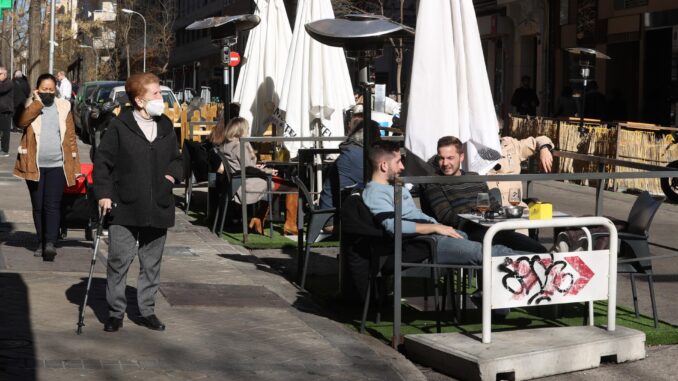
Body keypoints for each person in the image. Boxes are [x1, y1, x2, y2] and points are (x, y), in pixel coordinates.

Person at [94, 73, 184, 333]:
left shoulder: (165, 126)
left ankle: (146, 311)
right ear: (139, 101)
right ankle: (115, 312)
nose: (161, 99)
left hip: (159, 205)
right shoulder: (120, 127)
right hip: (125, 204)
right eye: (156, 94)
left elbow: (177, 160)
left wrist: (170, 177)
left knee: (151, 263)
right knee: (119, 260)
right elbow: (103, 163)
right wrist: (104, 194)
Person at [362, 141, 514, 267]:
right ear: (383, 165)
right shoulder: (375, 192)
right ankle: (535, 265)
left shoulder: (394, 187)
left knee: (497, 247)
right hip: (424, 244)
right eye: (398, 162)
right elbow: (393, 225)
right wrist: (435, 227)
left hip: (436, 236)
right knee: (490, 253)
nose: (402, 167)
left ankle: (529, 265)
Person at [422, 136, 548, 253]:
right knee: (512, 254)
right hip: (466, 233)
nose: (445, 163)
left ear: (461, 157)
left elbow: (494, 206)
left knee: (538, 249)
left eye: (450, 158)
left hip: (491, 229)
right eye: (441, 158)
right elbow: (446, 216)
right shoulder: (433, 182)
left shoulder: (474, 177)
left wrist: (490, 215)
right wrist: (479, 216)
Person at [13, 73, 81, 260]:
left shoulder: (64, 106)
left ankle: (50, 243)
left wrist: (74, 165)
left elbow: (70, 137)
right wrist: (37, 102)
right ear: (38, 89)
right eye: (45, 89)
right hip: (33, 165)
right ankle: (41, 242)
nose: (49, 92)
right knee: (38, 206)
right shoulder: (29, 105)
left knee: (52, 205)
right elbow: (20, 122)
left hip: (57, 164)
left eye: (52, 89)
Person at [208, 116, 298, 235]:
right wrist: (267, 171)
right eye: (247, 128)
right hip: (248, 183)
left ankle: (258, 219)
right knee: (292, 187)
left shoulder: (225, 144)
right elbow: (248, 167)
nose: (248, 130)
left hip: (236, 181)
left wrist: (259, 168)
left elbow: (242, 165)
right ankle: (290, 226)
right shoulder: (241, 144)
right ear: (241, 130)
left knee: (277, 187)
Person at [489, 115, 554, 206]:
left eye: (498, 131)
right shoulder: (475, 150)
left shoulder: (512, 145)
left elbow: (541, 139)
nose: (496, 134)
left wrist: (544, 148)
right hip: (490, 206)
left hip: (516, 205)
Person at [0, 67, 13, 157]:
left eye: (0, 74)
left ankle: (5, 150)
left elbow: (1, 90)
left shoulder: (9, 83)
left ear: (5, 74)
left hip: (5, 110)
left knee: (5, 132)